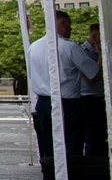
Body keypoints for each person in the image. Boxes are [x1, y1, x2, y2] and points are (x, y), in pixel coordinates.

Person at [27, 11, 101, 158]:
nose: (70, 30)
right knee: (71, 147)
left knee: (48, 146)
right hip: (66, 104)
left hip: (43, 102)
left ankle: (50, 178)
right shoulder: (69, 47)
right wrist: (101, 55)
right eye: (70, 26)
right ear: (62, 25)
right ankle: (71, 179)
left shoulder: (34, 47)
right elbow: (94, 75)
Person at [81, 23, 106, 156]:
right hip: (90, 98)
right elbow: (92, 77)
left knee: (102, 137)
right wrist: (101, 56)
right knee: (93, 138)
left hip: (102, 97)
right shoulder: (82, 51)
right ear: (95, 36)